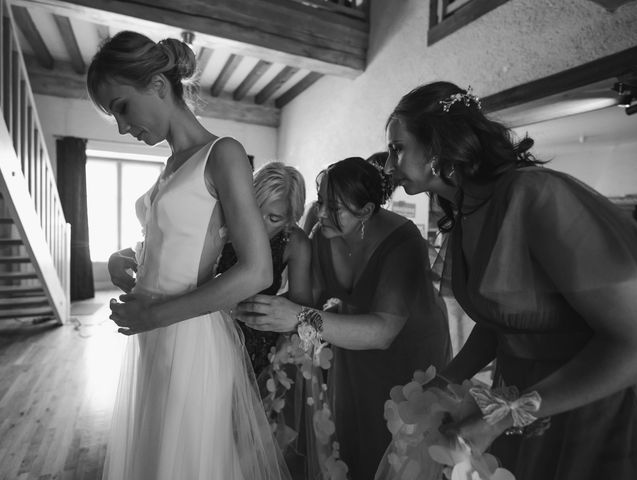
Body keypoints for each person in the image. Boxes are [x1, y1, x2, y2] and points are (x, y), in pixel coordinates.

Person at [383, 81, 637, 479]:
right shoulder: (465, 211)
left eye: (397, 148)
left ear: (436, 147)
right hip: (517, 400)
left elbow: (634, 342)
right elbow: (500, 320)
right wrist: (447, 381)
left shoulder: (536, 197)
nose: (388, 165)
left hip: (588, 406)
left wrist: (505, 416)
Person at [87, 31, 290, 480]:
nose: (122, 126)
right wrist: (127, 258)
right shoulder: (173, 163)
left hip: (188, 337)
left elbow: (257, 270)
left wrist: (154, 316)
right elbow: (172, 241)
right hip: (154, 335)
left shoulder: (224, 154)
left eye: (121, 107)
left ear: (159, 85)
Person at [236, 157, 452, 480]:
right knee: (353, 436)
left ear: (365, 211)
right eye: (321, 201)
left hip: (407, 349)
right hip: (353, 343)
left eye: (333, 208)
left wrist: (299, 316)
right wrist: (254, 310)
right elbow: (311, 296)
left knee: (397, 446)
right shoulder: (324, 234)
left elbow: (383, 331)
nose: (320, 214)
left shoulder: (403, 241)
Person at [216, 161, 312, 376]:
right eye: (253, 209)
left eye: (274, 218)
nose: (257, 224)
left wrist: (287, 345)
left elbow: (303, 310)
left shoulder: (294, 242)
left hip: (258, 346)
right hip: (206, 331)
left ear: (290, 219)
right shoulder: (222, 222)